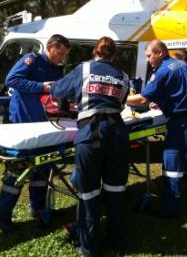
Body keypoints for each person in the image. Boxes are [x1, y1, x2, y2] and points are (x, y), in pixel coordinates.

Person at [51, 36, 130, 256]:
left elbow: (58, 91)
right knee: (116, 188)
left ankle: (89, 246)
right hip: (117, 134)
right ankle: (116, 237)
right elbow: (120, 103)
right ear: (114, 55)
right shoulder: (123, 76)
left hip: (91, 134)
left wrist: (71, 101)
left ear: (95, 52)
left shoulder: (84, 69)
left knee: (89, 192)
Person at [126, 39, 187, 219]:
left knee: (172, 163)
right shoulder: (181, 65)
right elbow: (181, 91)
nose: (148, 60)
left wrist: (120, 99)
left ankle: (171, 210)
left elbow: (142, 99)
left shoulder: (163, 71)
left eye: (149, 55)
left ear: (160, 53)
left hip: (181, 122)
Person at [0, 34, 70, 233]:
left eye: (65, 55)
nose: (62, 58)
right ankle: (1, 216)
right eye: (60, 53)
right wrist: (41, 87)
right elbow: (12, 79)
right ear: (51, 47)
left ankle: (38, 209)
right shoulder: (31, 60)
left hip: (43, 125)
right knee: (18, 171)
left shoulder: (56, 68)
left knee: (43, 166)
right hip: (22, 124)